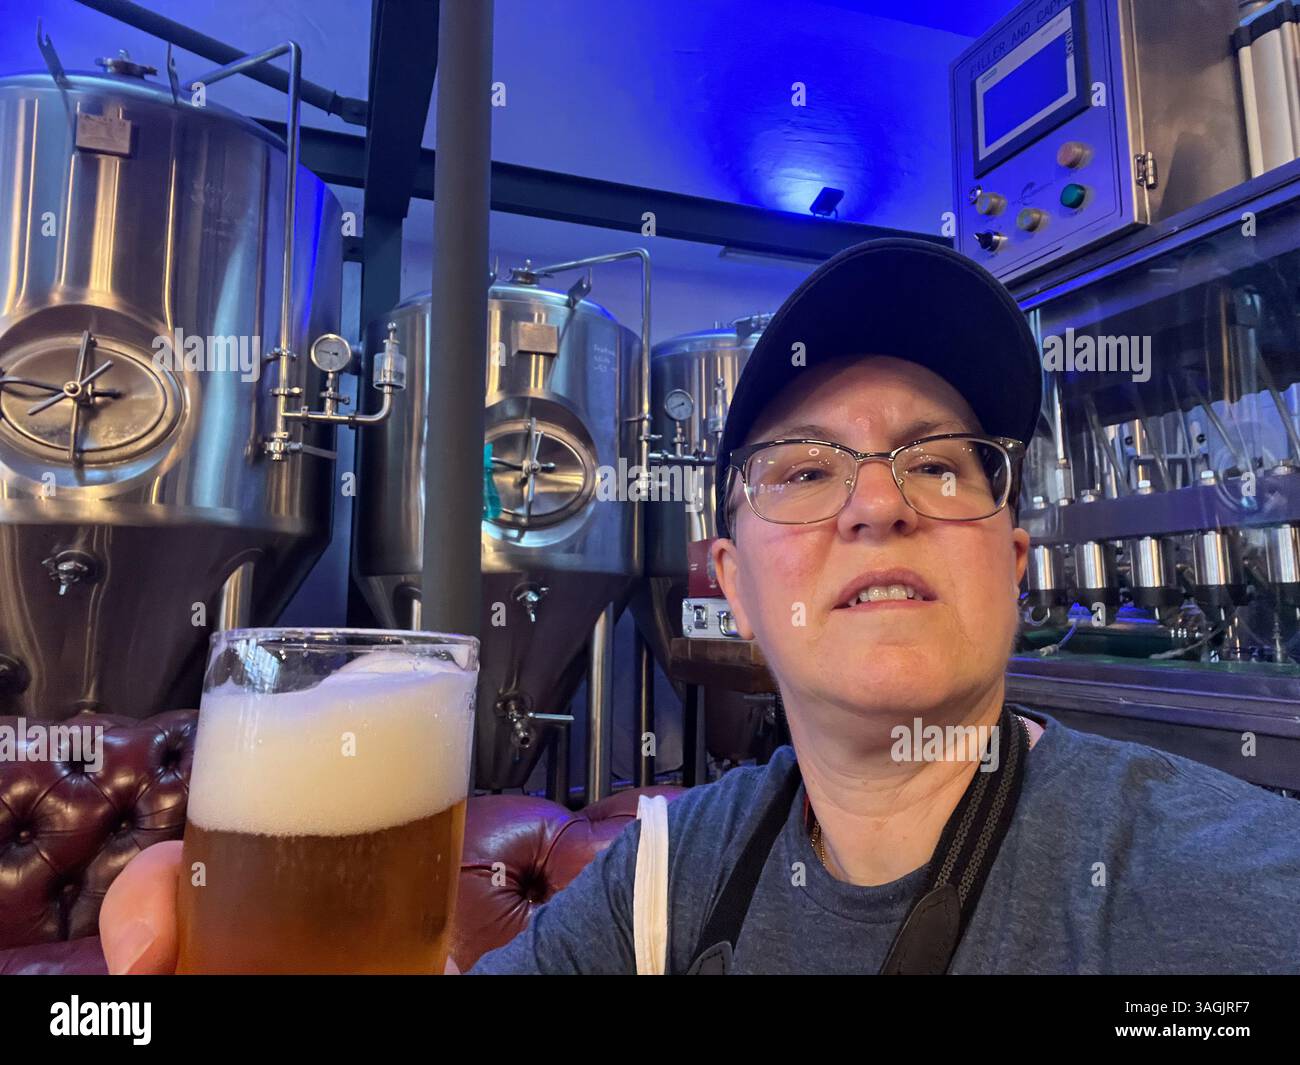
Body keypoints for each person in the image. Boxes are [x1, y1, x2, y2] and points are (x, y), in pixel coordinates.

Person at [101, 239, 1300, 975]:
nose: (878, 507)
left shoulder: (1217, 885)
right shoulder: (657, 886)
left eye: (939, 463)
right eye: (806, 469)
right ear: (730, 586)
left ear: (1014, 557)